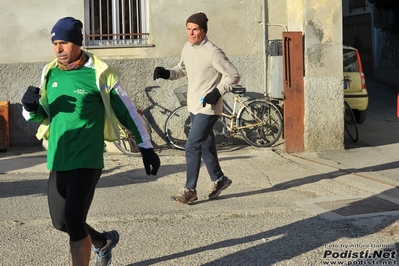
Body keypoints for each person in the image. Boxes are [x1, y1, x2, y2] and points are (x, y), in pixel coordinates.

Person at [21, 17, 160, 266]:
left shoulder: (99, 73)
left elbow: (127, 111)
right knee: (61, 222)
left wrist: (146, 146)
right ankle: (103, 242)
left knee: (74, 220)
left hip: (87, 159)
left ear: (77, 43)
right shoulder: (50, 72)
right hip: (58, 157)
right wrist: (30, 107)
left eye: (63, 43)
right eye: (55, 44)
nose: (58, 49)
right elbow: (43, 115)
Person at [153, 12, 240, 204]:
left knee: (192, 145)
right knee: (206, 143)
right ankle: (219, 179)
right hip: (193, 105)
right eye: (189, 29)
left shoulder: (213, 52)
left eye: (195, 30)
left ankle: (189, 189)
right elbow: (182, 69)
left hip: (208, 107)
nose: (191, 33)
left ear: (204, 31)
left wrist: (218, 92)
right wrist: (166, 73)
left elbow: (233, 75)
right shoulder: (187, 47)